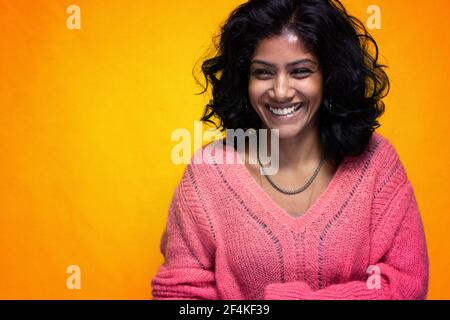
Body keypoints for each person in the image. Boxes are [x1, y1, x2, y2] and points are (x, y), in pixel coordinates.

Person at [151, 0, 429, 299]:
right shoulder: (208, 173)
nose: (281, 91)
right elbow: (181, 296)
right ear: (244, 80)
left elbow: (405, 286)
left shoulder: (376, 163)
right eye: (263, 73)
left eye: (300, 71)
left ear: (329, 76)